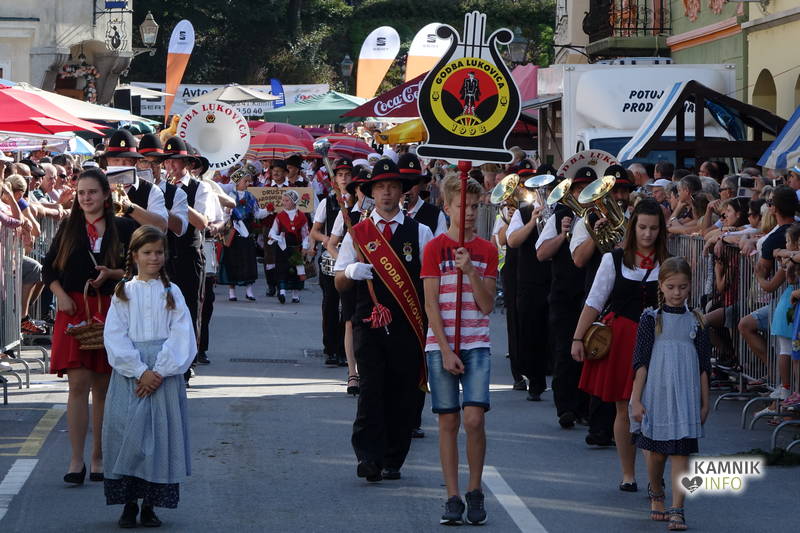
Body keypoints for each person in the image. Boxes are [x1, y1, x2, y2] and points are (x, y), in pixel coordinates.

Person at [334, 158, 433, 483]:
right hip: (369, 323)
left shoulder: (420, 232)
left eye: (393, 186)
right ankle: (368, 457)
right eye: (380, 187)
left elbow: (430, 281)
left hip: (408, 325)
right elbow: (339, 281)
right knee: (371, 391)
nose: (387, 192)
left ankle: (393, 459)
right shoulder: (358, 232)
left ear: (403, 191)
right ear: (371, 192)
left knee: (402, 394)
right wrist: (351, 271)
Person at [41, 168, 137, 484]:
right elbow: (48, 268)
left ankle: (99, 456)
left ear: (106, 194)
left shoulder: (123, 227)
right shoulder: (69, 227)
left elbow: (143, 265)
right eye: (81, 193)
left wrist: (112, 274)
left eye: (92, 192)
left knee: (103, 387)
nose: (86, 198)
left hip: (110, 310)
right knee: (77, 386)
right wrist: (59, 296)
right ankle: (75, 460)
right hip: (72, 308)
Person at [571, 199, 668, 492]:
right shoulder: (613, 260)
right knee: (624, 408)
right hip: (623, 338)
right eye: (642, 227)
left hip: (659, 340)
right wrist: (578, 338)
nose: (647, 234)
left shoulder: (668, 262)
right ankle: (629, 474)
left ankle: (654, 475)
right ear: (633, 227)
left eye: (653, 228)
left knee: (654, 408)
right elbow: (594, 301)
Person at [102, 226, 195, 528]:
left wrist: (161, 370)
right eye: (147, 252)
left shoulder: (172, 292)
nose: (154, 258)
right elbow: (114, 336)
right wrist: (140, 371)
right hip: (131, 374)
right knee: (127, 435)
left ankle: (150, 505)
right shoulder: (123, 292)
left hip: (164, 375)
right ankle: (128, 504)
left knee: (160, 436)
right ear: (134, 255)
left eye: (159, 252)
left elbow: (182, 334)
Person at [423, 175, 496, 525]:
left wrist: (470, 271)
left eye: (474, 206)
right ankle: (452, 496)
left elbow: (487, 305)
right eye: (461, 206)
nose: (468, 212)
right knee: (449, 420)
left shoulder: (488, 250)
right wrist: (446, 349)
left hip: (476, 342)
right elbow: (431, 305)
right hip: (442, 344)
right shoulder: (434, 248)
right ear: (447, 207)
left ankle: (475, 488)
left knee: (474, 418)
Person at [629, 257, 711, 531]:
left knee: (681, 453)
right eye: (671, 287)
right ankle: (656, 491)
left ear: (690, 286)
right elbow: (641, 362)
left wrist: (705, 402)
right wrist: (636, 399)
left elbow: (703, 366)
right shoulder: (651, 319)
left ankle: (678, 509)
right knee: (656, 454)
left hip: (686, 395)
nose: (677, 293)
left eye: (683, 287)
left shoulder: (697, 321)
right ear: (661, 286)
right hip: (657, 394)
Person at [506, 160, 551, 403]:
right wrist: (533, 221)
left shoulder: (564, 211)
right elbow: (512, 241)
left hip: (555, 279)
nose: (545, 193)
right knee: (532, 332)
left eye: (550, 188)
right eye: (541, 189)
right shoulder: (523, 212)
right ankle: (535, 381)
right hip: (531, 281)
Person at [310, 158, 353, 367]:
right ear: (334, 179)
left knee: (348, 305)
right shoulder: (327, 202)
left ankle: (345, 349)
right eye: (340, 175)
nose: (344, 179)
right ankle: (330, 348)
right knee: (330, 304)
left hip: (350, 258)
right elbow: (314, 231)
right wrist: (326, 239)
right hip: (331, 257)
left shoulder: (358, 202)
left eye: (348, 175)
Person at [102, 129, 168, 232]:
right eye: (116, 160)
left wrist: (131, 208)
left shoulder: (152, 190)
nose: (122, 165)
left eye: (127, 160)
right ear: (108, 161)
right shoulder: (98, 186)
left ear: (135, 162)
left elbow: (162, 227)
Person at [219, 168, 268, 300]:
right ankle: (232, 292)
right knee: (232, 261)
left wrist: (268, 210)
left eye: (248, 181)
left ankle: (249, 290)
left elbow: (257, 213)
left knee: (248, 261)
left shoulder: (250, 196)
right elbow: (224, 216)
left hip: (247, 231)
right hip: (233, 232)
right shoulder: (230, 196)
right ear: (237, 182)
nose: (248, 184)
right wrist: (227, 212)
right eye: (245, 181)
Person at [268, 190, 310, 303]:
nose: (284, 202)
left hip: (296, 247)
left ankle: (295, 295)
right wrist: (272, 235)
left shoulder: (301, 216)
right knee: (281, 269)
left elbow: (305, 233)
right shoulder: (280, 216)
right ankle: (282, 292)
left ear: (294, 201)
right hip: (282, 247)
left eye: (287, 200)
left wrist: (305, 246)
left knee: (295, 271)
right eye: (283, 200)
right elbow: (273, 229)